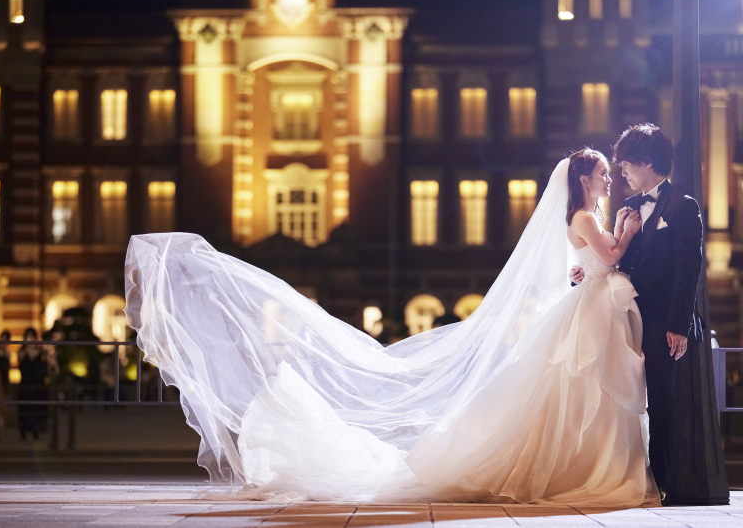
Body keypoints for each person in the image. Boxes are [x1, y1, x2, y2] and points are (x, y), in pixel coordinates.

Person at [123, 151, 658, 506]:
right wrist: (628, 232)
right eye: (603, 174)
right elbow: (609, 253)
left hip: (587, 309)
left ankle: (580, 461)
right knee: (579, 393)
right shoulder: (589, 216)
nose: (609, 180)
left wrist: (594, 260)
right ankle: (587, 465)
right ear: (584, 178)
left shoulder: (582, 215)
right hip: (589, 312)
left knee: (572, 393)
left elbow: (590, 260)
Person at [572, 124, 704, 505]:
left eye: (626, 163)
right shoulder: (627, 208)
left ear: (647, 161)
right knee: (625, 400)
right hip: (624, 320)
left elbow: (687, 270)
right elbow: (613, 264)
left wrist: (679, 326)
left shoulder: (683, 205)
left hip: (664, 324)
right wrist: (581, 274)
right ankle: (626, 474)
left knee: (662, 399)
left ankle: (666, 483)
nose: (622, 172)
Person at [17, 327, 54, 440]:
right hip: (26, 384)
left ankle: (37, 431)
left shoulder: (41, 352)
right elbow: (20, 361)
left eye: (32, 337)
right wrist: (28, 348)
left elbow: (49, 365)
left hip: (38, 384)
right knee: (26, 409)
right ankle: (24, 432)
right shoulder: (22, 351)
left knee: (37, 408)